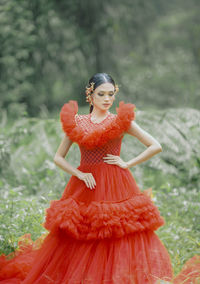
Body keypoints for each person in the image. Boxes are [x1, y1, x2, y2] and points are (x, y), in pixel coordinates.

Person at [0, 72, 198, 283]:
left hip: (117, 184)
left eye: (111, 94)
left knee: (118, 229)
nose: (107, 99)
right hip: (86, 185)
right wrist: (79, 173)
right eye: (101, 94)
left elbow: (155, 145)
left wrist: (127, 163)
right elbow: (58, 157)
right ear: (90, 95)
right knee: (83, 231)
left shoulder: (120, 122)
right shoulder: (77, 122)